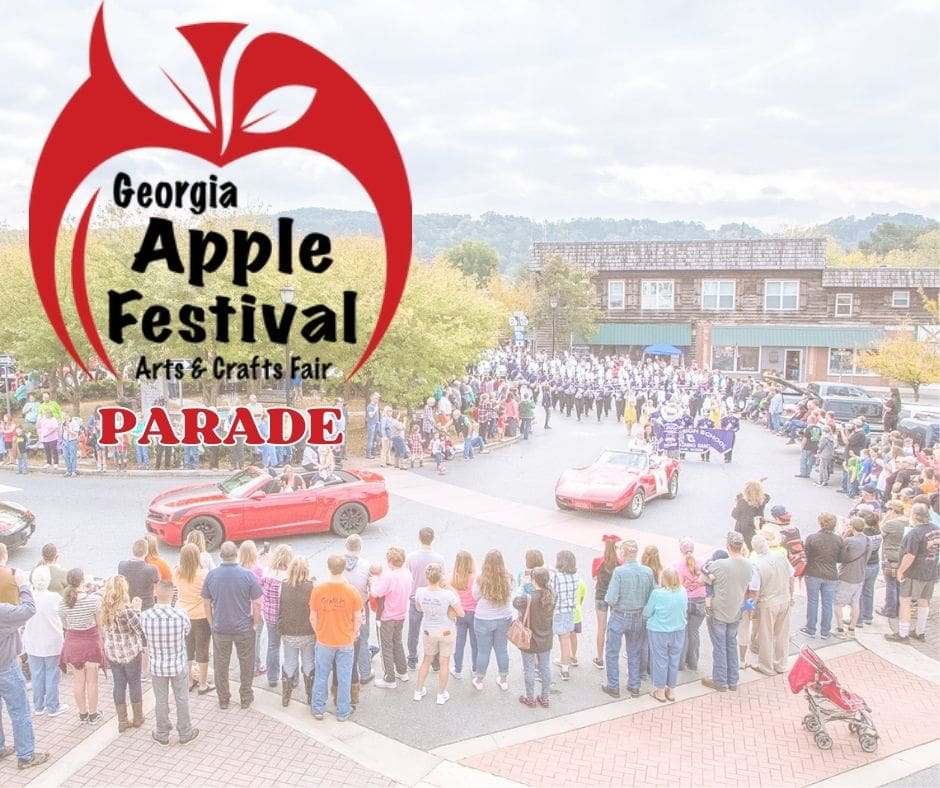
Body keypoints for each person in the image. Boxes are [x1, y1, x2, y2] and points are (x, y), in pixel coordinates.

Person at [202, 541, 263, 710]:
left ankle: (223, 698)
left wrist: (211, 622)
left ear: (221, 556)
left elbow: (206, 603)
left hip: (221, 627)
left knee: (221, 664)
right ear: (236, 555)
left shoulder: (212, 575)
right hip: (243, 627)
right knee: (246, 662)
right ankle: (245, 696)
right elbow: (257, 602)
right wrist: (255, 622)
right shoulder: (247, 575)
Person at [0, 566, 50, 770]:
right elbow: (29, 609)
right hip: (6, 668)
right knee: (19, 711)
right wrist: (22, 584)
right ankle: (26, 755)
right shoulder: (3, 611)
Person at [140, 580, 198, 746]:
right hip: (177, 663)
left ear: (155, 594)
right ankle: (185, 731)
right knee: (182, 698)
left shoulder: (145, 616)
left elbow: (143, 633)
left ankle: (162, 733)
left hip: (157, 665)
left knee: (161, 700)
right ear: (172, 595)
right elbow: (187, 632)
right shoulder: (181, 615)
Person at [309, 555, 363, 721]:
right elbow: (358, 617)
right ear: (343, 568)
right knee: (344, 677)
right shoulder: (351, 591)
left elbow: (313, 617)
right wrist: (353, 633)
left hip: (325, 639)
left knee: (321, 675)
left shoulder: (318, 590)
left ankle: (318, 708)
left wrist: (318, 632)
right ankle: (342, 711)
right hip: (345, 640)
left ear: (328, 567)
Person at [602, 539, 654, 699]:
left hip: (620, 615)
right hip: (638, 616)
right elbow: (652, 594)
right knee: (634, 651)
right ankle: (634, 684)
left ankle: (613, 685)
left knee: (612, 652)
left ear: (623, 553)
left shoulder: (619, 572)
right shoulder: (648, 571)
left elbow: (610, 598)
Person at [702, 531, 752, 693]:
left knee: (720, 646)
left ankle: (720, 680)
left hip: (719, 611)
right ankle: (733, 680)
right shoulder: (748, 565)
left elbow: (702, 580)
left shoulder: (719, 565)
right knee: (731, 643)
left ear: (728, 546)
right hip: (736, 609)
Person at [885, 503, 938, 644]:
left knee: (905, 601)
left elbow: (910, 555)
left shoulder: (914, 533)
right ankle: (920, 631)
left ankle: (903, 634)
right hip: (931, 571)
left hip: (914, 572)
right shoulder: (936, 529)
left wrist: (901, 571)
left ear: (915, 516)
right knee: (924, 601)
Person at [58, 568, 106, 723]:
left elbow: (65, 624)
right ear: (82, 581)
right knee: (92, 681)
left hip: (73, 643)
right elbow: (99, 623)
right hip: (91, 642)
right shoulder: (93, 600)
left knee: (78, 681)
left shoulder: (63, 602)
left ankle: (82, 713)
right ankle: (93, 714)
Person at [100, 575, 146, 733]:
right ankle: (138, 717)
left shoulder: (105, 606)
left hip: (112, 651)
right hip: (130, 651)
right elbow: (139, 629)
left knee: (118, 684)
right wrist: (137, 610)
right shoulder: (126, 609)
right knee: (134, 683)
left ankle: (122, 720)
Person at [413, 564, 462, 705]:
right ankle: (440, 694)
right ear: (441, 577)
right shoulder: (448, 594)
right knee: (444, 662)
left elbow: (418, 608)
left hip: (429, 630)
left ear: (426, 577)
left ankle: (418, 690)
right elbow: (461, 613)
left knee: (426, 660)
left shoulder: (420, 592)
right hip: (446, 630)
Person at [22, 567, 67, 718]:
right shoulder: (55, 598)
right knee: (52, 674)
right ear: (48, 581)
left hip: (33, 640)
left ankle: (38, 705)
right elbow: (63, 616)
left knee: (36, 674)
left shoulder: (28, 597)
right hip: (52, 640)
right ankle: (53, 706)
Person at [750, 534, 794, 676]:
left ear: (754, 549)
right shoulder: (781, 556)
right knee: (782, 634)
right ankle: (781, 664)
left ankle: (766, 666)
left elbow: (755, 591)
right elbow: (791, 577)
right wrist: (791, 595)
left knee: (766, 635)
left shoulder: (756, 564)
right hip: (784, 598)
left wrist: (752, 609)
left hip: (767, 603)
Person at [472, 549, 514, 692]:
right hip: (504, 617)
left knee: (483, 651)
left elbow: (475, 596)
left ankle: (479, 679)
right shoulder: (508, 578)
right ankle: (503, 680)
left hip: (484, 618)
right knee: (502, 650)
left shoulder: (480, 579)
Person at [172, 544, 212, 696]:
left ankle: (189, 680)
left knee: (187, 650)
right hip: (201, 615)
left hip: (183, 614)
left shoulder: (177, 573)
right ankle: (202, 683)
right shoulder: (203, 574)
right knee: (202, 650)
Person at [643, 567, 687, 703]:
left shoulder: (658, 594)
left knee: (660, 660)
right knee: (674, 660)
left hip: (659, 630)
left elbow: (647, 612)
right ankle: (671, 690)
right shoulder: (683, 591)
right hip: (678, 630)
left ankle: (660, 690)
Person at [513, 566, 555, 709]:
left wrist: (523, 586)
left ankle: (530, 698)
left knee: (529, 669)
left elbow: (515, 602)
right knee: (545, 667)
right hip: (546, 637)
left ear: (533, 580)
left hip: (529, 638)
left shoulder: (529, 598)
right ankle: (545, 697)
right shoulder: (551, 595)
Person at [406, 527, 446, 671]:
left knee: (413, 630)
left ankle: (412, 658)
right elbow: (442, 580)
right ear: (433, 539)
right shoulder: (439, 559)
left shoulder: (410, 557)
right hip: (433, 598)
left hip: (415, 597)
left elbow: (407, 577)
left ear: (419, 538)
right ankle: (435, 661)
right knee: (434, 629)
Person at [372, 547, 413, 689]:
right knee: (398, 642)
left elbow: (376, 593)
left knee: (386, 647)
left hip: (387, 616)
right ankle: (402, 671)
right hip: (401, 614)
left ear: (390, 561)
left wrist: (373, 582)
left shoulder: (390, 576)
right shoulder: (407, 573)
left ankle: (389, 677)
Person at [278, 557, 316, 705]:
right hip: (308, 632)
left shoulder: (283, 585)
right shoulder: (312, 587)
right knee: (308, 662)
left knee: (289, 662)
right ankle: (310, 696)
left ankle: (286, 698)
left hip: (288, 631)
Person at [801, 513, 844, 640]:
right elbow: (840, 558)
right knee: (827, 603)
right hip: (831, 574)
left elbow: (806, 555)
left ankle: (810, 628)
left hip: (813, 572)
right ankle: (825, 631)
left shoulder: (812, 538)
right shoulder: (839, 540)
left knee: (813, 601)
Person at [260, 544, 293, 687]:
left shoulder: (267, 572)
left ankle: (272, 677)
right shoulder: (289, 576)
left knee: (273, 645)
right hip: (285, 616)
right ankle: (291, 677)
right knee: (289, 647)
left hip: (269, 614)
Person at [343, 534, 373, 685]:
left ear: (346, 546)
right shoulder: (367, 565)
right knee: (362, 638)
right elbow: (372, 588)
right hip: (360, 606)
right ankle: (365, 672)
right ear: (360, 548)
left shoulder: (338, 563)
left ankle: (345, 670)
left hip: (341, 607)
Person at [674, 538, 706, 672]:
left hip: (684, 601)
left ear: (681, 551)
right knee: (694, 632)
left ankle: (680, 663)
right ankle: (693, 663)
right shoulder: (702, 563)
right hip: (700, 601)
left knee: (683, 632)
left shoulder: (676, 566)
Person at [591, 535, 620, 670]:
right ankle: (613, 656)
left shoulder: (598, 561)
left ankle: (599, 658)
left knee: (601, 628)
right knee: (614, 628)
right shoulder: (619, 563)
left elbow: (594, 577)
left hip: (601, 596)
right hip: (615, 598)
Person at [551, 550, 579, 681]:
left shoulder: (556, 576)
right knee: (565, 640)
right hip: (570, 611)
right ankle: (565, 667)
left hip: (557, 611)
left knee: (553, 638)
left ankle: (544, 666)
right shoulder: (576, 576)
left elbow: (551, 592)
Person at [877, 500, 907, 619]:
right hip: (903, 557)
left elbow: (879, 533)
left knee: (891, 585)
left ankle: (890, 610)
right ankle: (899, 608)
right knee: (900, 584)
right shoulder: (908, 522)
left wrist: (884, 519)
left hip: (890, 557)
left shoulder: (891, 524)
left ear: (893, 510)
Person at [450, 550, 477, 680]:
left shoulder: (453, 577)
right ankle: (475, 669)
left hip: (460, 612)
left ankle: (458, 669)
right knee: (475, 642)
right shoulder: (475, 577)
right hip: (474, 613)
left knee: (460, 642)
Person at [118, 539, 160, 611]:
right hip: (146, 607)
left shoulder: (121, 565)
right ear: (146, 552)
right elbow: (160, 585)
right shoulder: (151, 569)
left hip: (127, 606)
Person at [858, 512, 883, 627]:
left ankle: (858, 618)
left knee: (858, 592)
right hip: (875, 563)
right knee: (868, 591)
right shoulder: (878, 532)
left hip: (864, 565)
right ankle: (868, 616)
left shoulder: (864, 535)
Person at [731, 480, 770, 550]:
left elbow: (735, 515)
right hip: (756, 525)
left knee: (742, 547)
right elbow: (767, 496)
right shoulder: (763, 499)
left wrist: (735, 504)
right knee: (754, 546)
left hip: (742, 528)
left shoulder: (741, 502)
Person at [365, 393, 381, 458]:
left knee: (375, 438)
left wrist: (379, 422)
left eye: (377, 398)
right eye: (375, 398)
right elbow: (370, 415)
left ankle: (373, 451)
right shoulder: (370, 406)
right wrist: (375, 410)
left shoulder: (376, 406)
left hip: (376, 423)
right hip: (371, 424)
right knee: (370, 439)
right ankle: (368, 453)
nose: (376, 399)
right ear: (371, 398)